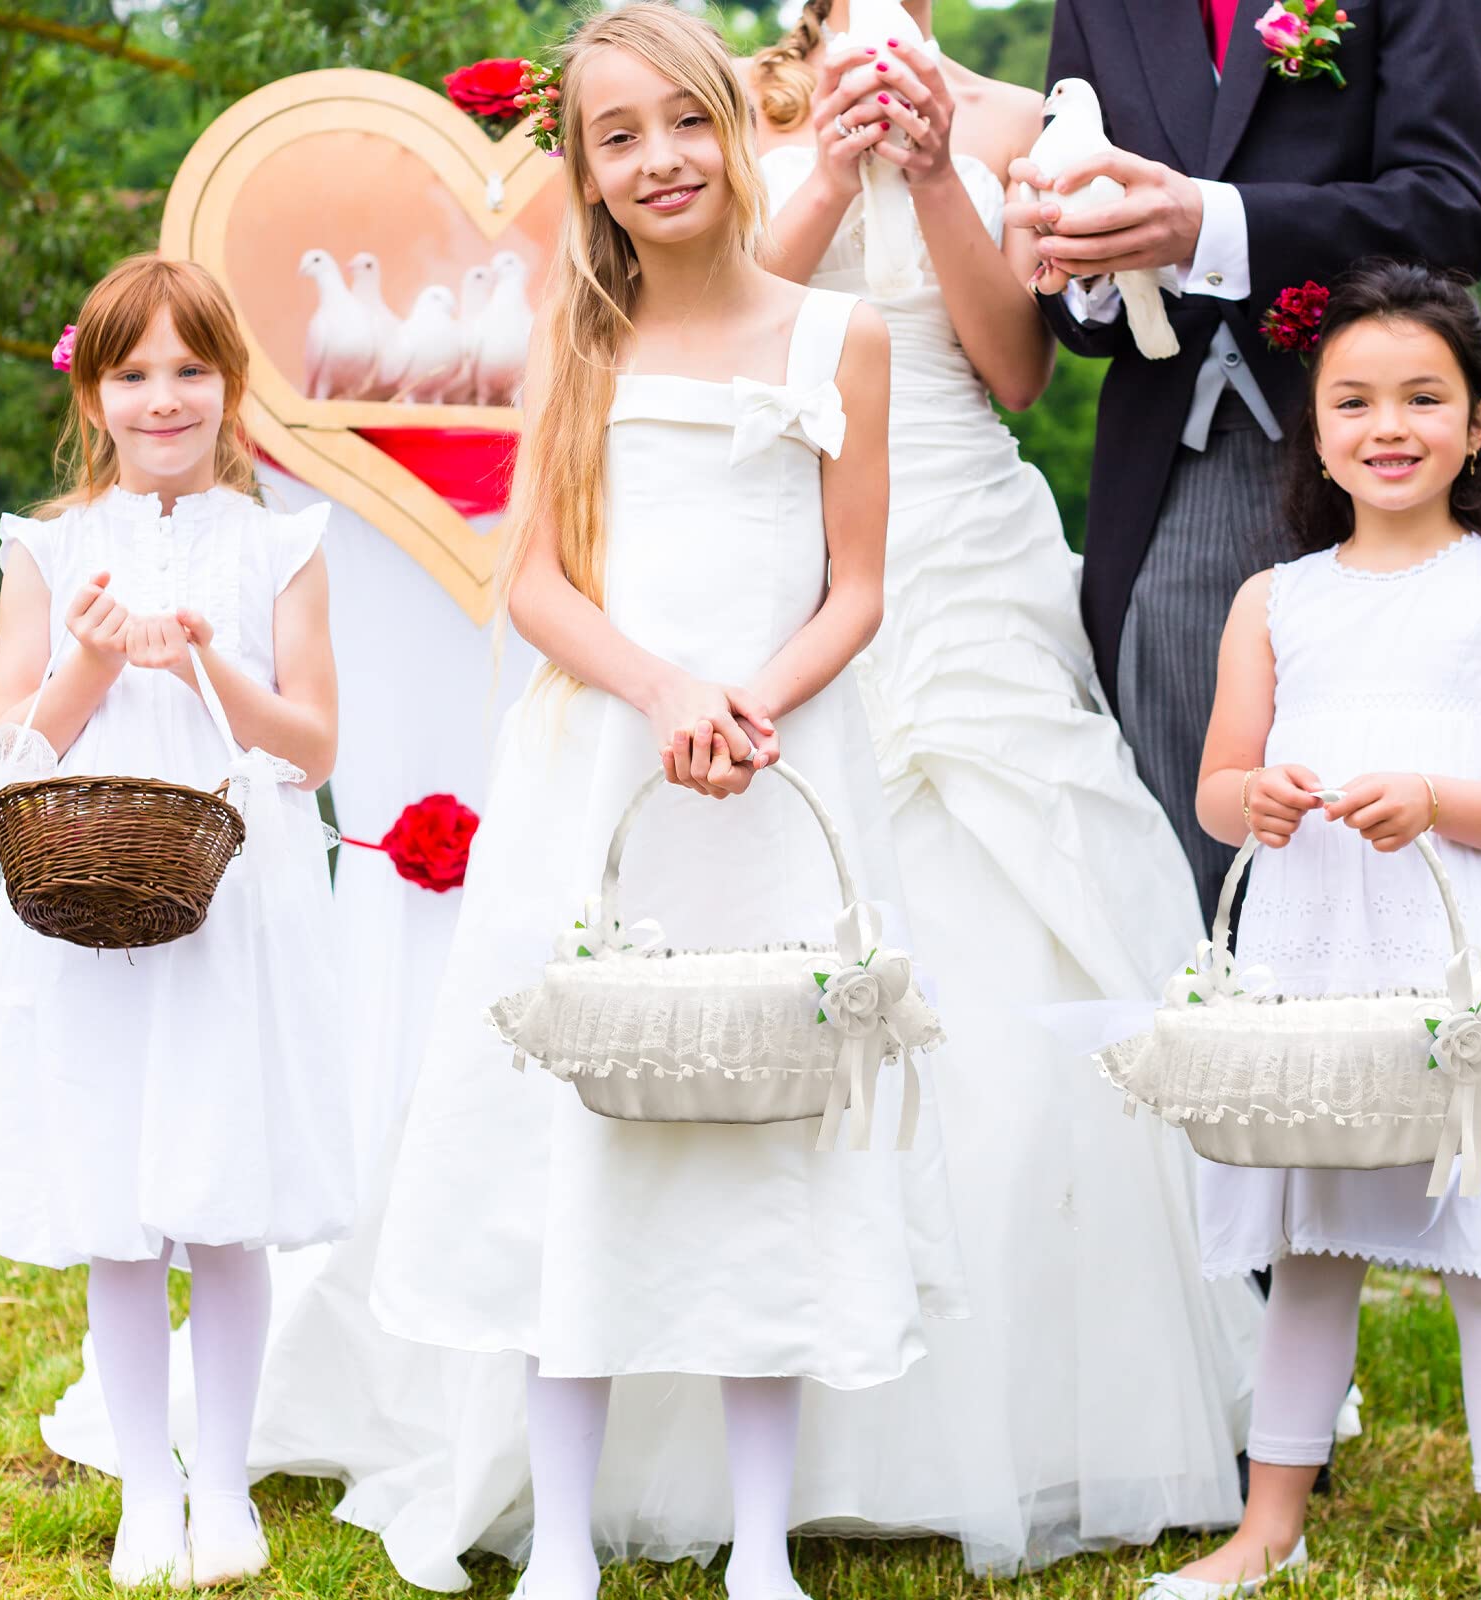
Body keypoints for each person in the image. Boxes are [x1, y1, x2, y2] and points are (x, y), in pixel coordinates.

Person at [362, 8, 965, 1596]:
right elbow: (538, 585)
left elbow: (856, 587)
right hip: (610, 769)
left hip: (771, 773)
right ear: (586, 171)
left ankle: (760, 1543)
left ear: (735, 132)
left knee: (762, 1116)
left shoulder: (841, 339)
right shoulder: (578, 337)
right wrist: (662, 692)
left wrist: (749, 698)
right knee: (583, 1125)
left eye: (683, 124)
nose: (657, 161)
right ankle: (561, 1535)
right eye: (615, 137)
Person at [741, 0, 1262, 1568]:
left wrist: (940, 177)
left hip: (963, 529)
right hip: (780, 507)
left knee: (1033, 912)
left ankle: (1067, 1398)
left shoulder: (1022, 121)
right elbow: (720, 324)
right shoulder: (735, 110)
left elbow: (1022, 369)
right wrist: (832, 173)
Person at [1144, 260, 1481, 1600]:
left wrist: (1438, 797)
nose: (1390, 426)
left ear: (1477, 423)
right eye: (1356, 401)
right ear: (1316, 427)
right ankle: (1269, 1526)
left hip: (1460, 962)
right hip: (1316, 961)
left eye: (1424, 399)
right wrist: (1256, 797)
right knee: (1313, 1237)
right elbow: (1219, 787)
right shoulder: (1277, 601)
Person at [0, 255, 351, 1588]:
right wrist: (90, 651)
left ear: (230, 384)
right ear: (96, 391)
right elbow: (12, 750)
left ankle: (227, 1481)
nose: (166, 398)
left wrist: (207, 657)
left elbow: (310, 745)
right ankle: (147, 1486)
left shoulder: (279, 545)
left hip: (232, 908)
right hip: (89, 908)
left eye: (192, 370)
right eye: (136, 374)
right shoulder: (47, 548)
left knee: (222, 1197)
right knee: (119, 1201)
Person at [1013, 0, 1481, 929]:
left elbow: (1455, 209)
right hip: (1171, 479)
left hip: (1383, 474)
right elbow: (1084, 300)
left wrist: (1210, 223)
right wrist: (1079, 257)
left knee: (1415, 869)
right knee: (1188, 882)